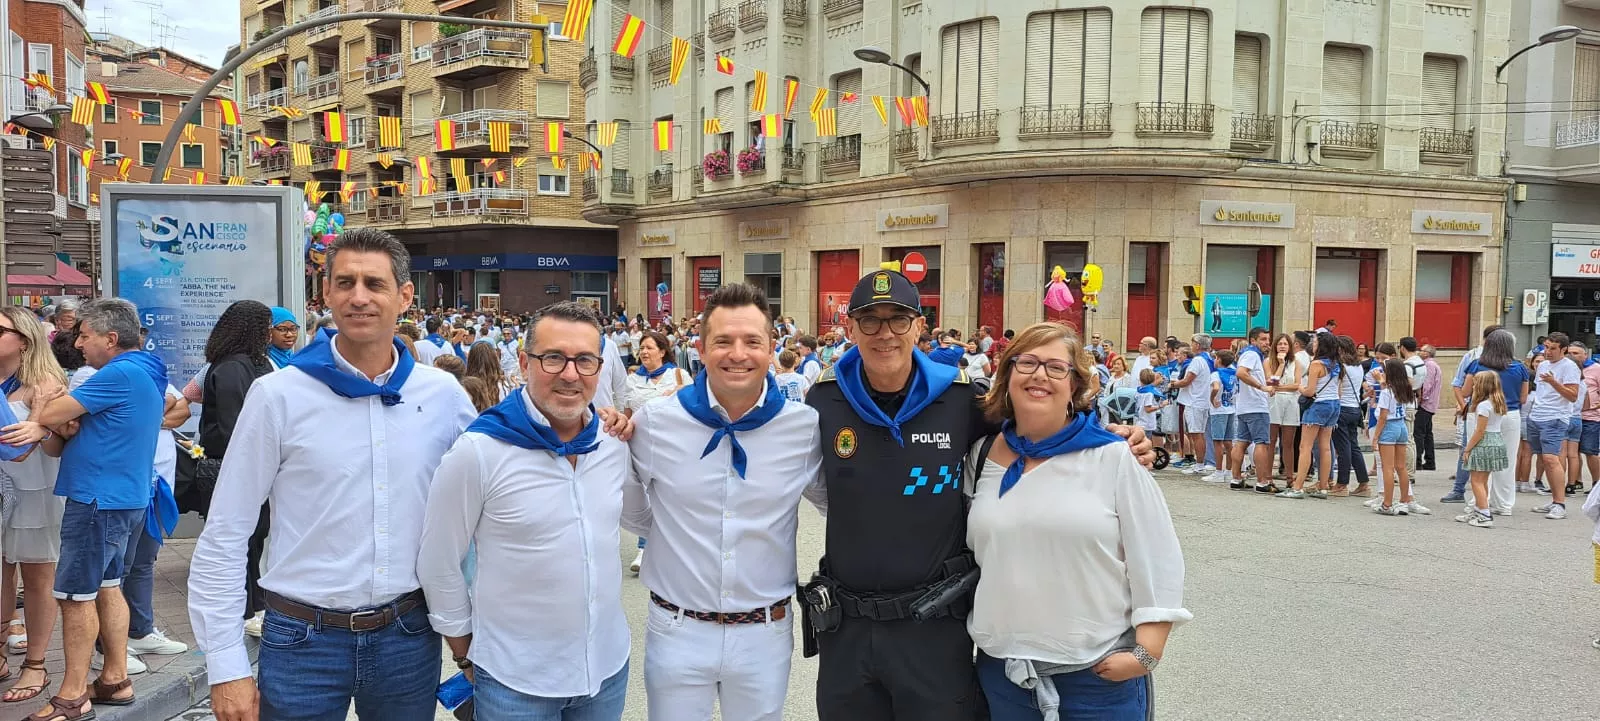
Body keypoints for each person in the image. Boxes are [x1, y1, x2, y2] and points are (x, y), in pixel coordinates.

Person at [804, 270, 1151, 721]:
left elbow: (1035, 426)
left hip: (932, 628)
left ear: (919, 326)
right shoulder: (824, 401)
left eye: (898, 319)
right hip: (846, 629)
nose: (884, 333)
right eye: (869, 320)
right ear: (849, 327)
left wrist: (1109, 437)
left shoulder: (960, 399)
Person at [188, 229, 478, 721]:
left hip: (408, 634)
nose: (358, 296)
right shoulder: (278, 395)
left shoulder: (444, 395)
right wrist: (226, 665)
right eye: (345, 282)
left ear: (405, 296)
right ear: (326, 294)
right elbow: (225, 534)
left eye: (374, 283)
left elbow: (497, 487)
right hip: (301, 639)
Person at [418, 301, 632, 721]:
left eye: (584, 361)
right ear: (523, 361)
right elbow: (438, 562)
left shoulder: (612, 445)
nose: (570, 374)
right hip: (513, 682)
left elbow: (643, 518)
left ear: (599, 368)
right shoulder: (480, 451)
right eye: (553, 358)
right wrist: (464, 658)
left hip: (606, 671)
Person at [623, 284, 827, 721]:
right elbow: (633, 510)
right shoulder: (656, 423)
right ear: (699, 348)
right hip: (676, 628)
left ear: (772, 347)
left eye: (752, 341)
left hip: (763, 633)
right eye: (723, 341)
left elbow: (836, 504)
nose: (738, 353)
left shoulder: (804, 428)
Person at [965, 322, 1189, 720]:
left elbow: (1157, 556)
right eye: (1027, 362)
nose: (1039, 375)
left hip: (1097, 679)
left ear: (1075, 385)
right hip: (1003, 676)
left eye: (1056, 368)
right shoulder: (980, 457)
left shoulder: (1113, 456)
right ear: (1007, 375)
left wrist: (1147, 653)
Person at [2, 299, 165, 719]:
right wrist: (55, 420)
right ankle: (114, 677)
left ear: (111, 339)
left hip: (96, 499)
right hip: (121, 498)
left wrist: (44, 409)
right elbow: (65, 426)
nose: (78, 342)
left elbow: (55, 412)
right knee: (109, 588)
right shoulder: (147, 368)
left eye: (85, 335)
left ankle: (72, 694)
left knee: (74, 597)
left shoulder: (117, 373)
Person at [191, 301, 277, 638]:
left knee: (256, 539)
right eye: (267, 325)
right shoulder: (230, 368)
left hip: (252, 467)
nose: (271, 333)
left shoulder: (252, 363)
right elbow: (233, 426)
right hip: (232, 468)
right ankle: (243, 610)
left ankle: (256, 605)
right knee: (239, 540)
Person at [0, 307, 69, 704]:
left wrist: (40, 424)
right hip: (1, 486)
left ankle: (37, 664)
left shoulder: (46, 383)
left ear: (23, 340)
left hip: (34, 489)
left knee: (38, 577)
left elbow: (59, 445)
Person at [1278, 333, 1341, 499]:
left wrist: (1300, 388)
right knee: (1325, 446)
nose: (1313, 344)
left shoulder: (1317, 364)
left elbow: (1310, 391)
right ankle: (1323, 486)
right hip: (1334, 404)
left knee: (1305, 446)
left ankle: (1297, 487)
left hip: (1318, 405)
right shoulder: (1336, 364)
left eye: (1315, 342)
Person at [1528, 333, 1581, 520]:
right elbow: (1540, 392)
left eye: (1552, 348)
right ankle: (1553, 500)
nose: (1548, 352)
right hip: (1537, 416)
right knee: (1544, 459)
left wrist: (1554, 382)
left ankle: (1560, 504)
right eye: (1546, 347)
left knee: (1551, 459)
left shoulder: (1569, 367)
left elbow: (1573, 396)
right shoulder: (1542, 364)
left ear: (1563, 349)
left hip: (1556, 417)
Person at [1372, 357, 1429, 516]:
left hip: (1389, 427)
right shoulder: (1405, 389)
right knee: (1401, 466)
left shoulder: (1386, 392)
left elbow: (1383, 416)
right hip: (1401, 425)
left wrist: (1376, 437)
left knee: (1387, 468)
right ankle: (1405, 499)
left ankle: (1387, 503)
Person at [1457, 371, 1510, 528]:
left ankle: (1484, 514)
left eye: (1475, 383)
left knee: (1476, 481)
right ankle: (1479, 508)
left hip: (1484, 442)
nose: (1473, 386)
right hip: (1496, 439)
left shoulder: (1483, 405)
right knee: (1484, 480)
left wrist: (1467, 449)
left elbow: (1480, 431)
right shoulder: (1497, 402)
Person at [1231, 328, 1273, 492]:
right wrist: (1261, 386)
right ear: (1253, 340)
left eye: (1268, 339)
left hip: (1244, 405)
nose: (1267, 343)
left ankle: (1236, 479)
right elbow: (1241, 373)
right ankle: (1262, 482)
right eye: (1263, 339)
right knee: (1261, 443)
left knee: (1241, 442)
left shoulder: (1250, 354)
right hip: (1256, 405)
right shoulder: (1252, 354)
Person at [1330, 335, 1372, 498]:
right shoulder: (1358, 366)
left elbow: (1338, 388)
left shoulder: (1340, 366)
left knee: (1343, 447)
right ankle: (1363, 483)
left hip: (1342, 408)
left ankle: (1342, 484)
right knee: (1353, 446)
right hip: (1355, 409)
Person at [1171, 334, 1215, 478]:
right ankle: (1201, 463)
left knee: (1196, 434)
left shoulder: (1197, 360)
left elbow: (1187, 381)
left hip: (1194, 400)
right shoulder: (1209, 359)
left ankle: (1199, 464)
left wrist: (1172, 384)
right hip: (1203, 400)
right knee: (1200, 434)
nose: (1191, 345)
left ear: (1197, 345)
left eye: (1193, 342)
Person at [1265, 334, 1301, 486]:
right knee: (1271, 440)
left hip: (1291, 401)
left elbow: (1296, 384)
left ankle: (1289, 477)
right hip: (1275, 401)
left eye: (1285, 344)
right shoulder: (1268, 361)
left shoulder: (1296, 362)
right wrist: (1280, 364)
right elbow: (1271, 381)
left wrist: (1278, 387)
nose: (1283, 346)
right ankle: (1267, 477)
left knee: (1288, 442)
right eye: (1280, 344)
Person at [1204, 350, 1238, 485]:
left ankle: (1218, 471)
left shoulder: (1215, 374)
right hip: (1230, 408)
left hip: (1218, 410)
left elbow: (1216, 387)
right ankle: (1229, 470)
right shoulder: (1233, 373)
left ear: (1218, 360)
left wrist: (1212, 399)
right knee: (1228, 442)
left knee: (1217, 442)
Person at [1418, 345, 1443, 471]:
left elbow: (1426, 385)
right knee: (1427, 433)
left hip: (1426, 404)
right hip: (1430, 404)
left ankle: (1418, 460)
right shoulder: (1433, 365)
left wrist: (1420, 398)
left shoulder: (1429, 366)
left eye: (1422, 350)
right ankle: (1429, 461)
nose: (1419, 352)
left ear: (1427, 353)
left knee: (1419, 433)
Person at [265, 307, 299, 372]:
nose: (289, 334)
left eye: (293, 329)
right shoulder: (260, 362)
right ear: (269, 330)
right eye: (282, 329)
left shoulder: (295, 358)